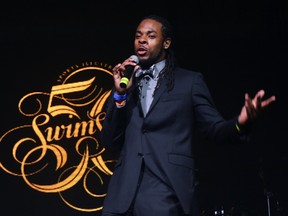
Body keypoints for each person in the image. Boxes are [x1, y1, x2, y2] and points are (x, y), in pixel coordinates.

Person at [100, 14, 276, 216]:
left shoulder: (188, 82)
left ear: (166, 43)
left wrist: (240, 122)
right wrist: (120, 96)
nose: (142, 40)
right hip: (121, 196)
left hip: (165, 190)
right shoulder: (126, 84)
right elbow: (109, 142)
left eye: (150, 36)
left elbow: (214, 129)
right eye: (138, 35)